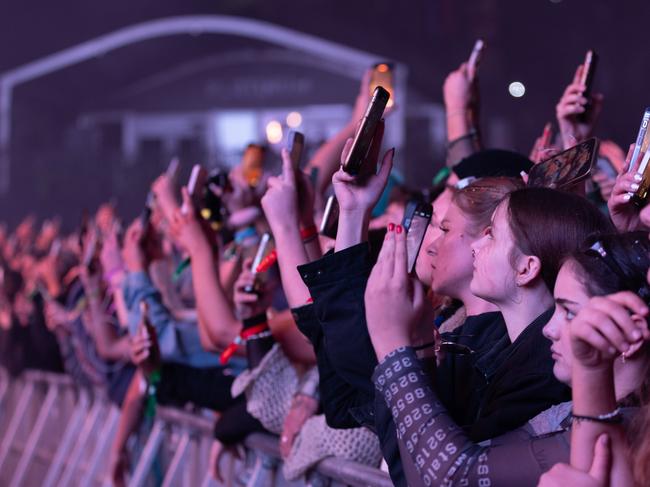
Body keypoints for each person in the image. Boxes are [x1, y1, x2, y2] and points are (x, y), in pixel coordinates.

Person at [367, 230, 650, 486]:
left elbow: (454, 475)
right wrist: (417, 347)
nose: (549, 330)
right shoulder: (563, 412)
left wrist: (394, 348)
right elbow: (428, 473)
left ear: (632, 332)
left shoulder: (632, 429)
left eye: (570, 312)